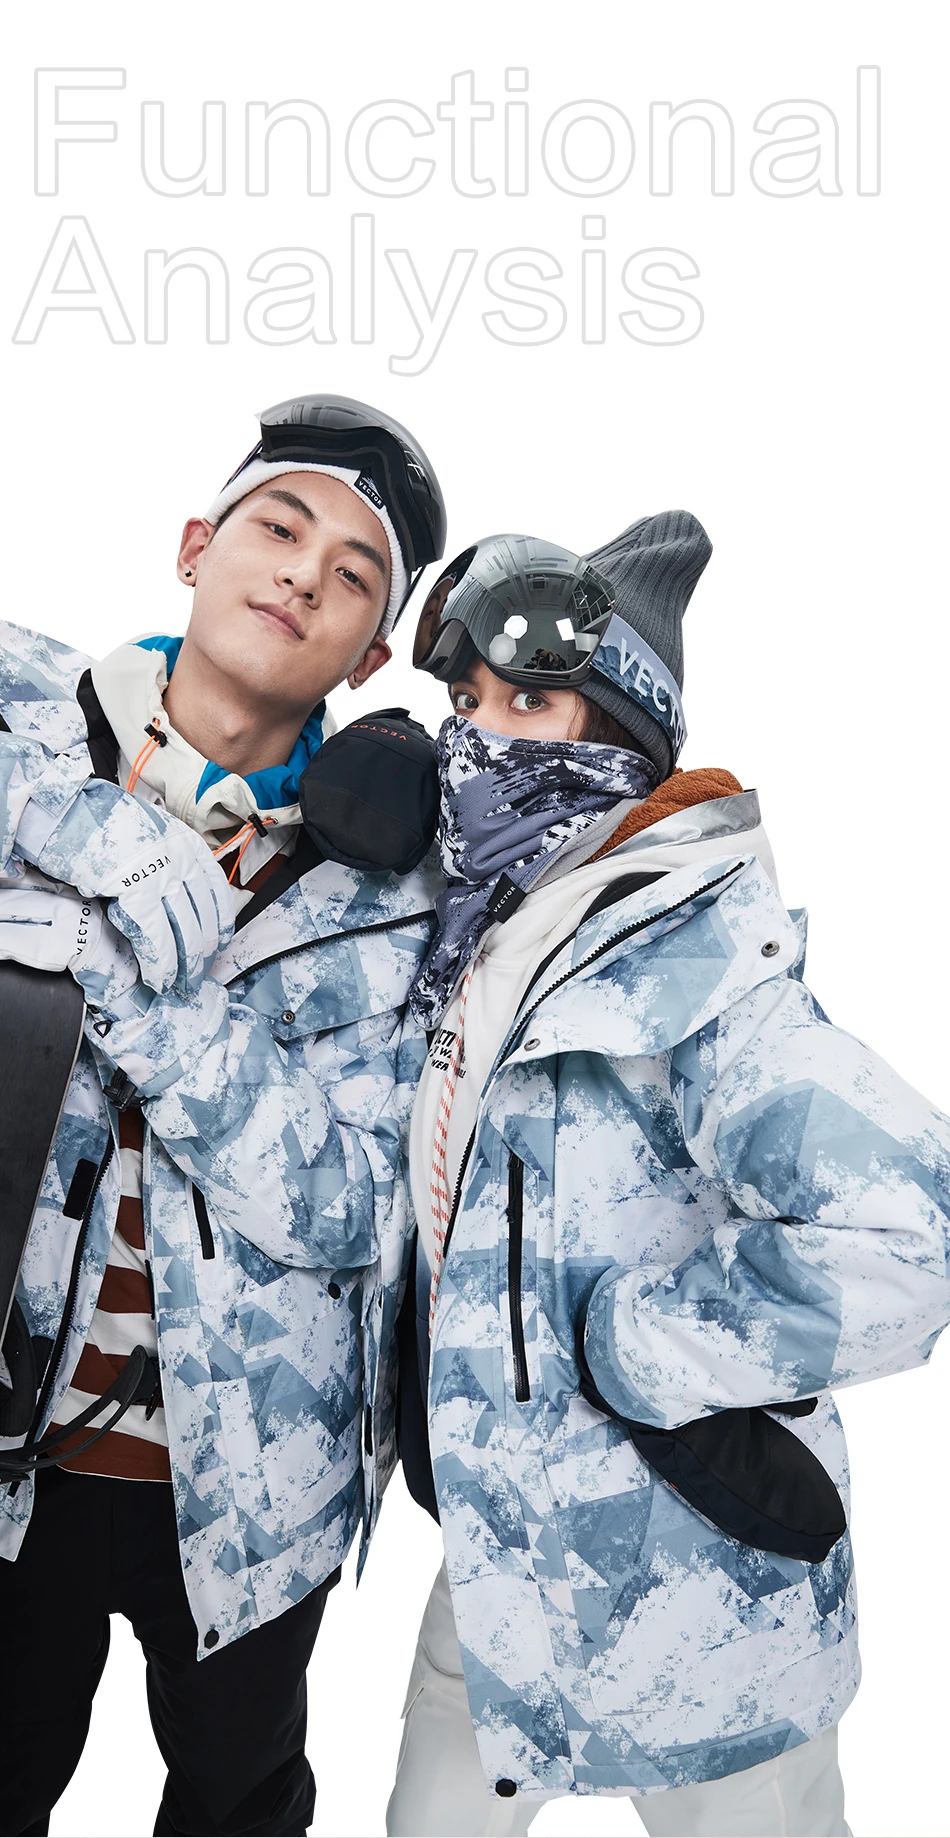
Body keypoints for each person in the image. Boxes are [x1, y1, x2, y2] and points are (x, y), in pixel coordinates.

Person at [386, 520, 950, 1838]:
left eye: (528, 704)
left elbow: (911, 1234)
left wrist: (640, 1348)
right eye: (465, 705)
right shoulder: (482, 937)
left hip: (705, 1613)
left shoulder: (704, 975)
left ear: (622, 734)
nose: (478, 742)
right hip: (498, 1574)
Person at [0, 393, 445, 1837]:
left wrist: (152, 997)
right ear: (196, 546)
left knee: (239, 1802)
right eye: (278, 528)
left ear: (368, 656)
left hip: (252, 1489)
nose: (304, 574)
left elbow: (345, 1201)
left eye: (353, 574)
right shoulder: (27, 729)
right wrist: (85, 829)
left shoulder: (394, 896)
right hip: (14, 1461)